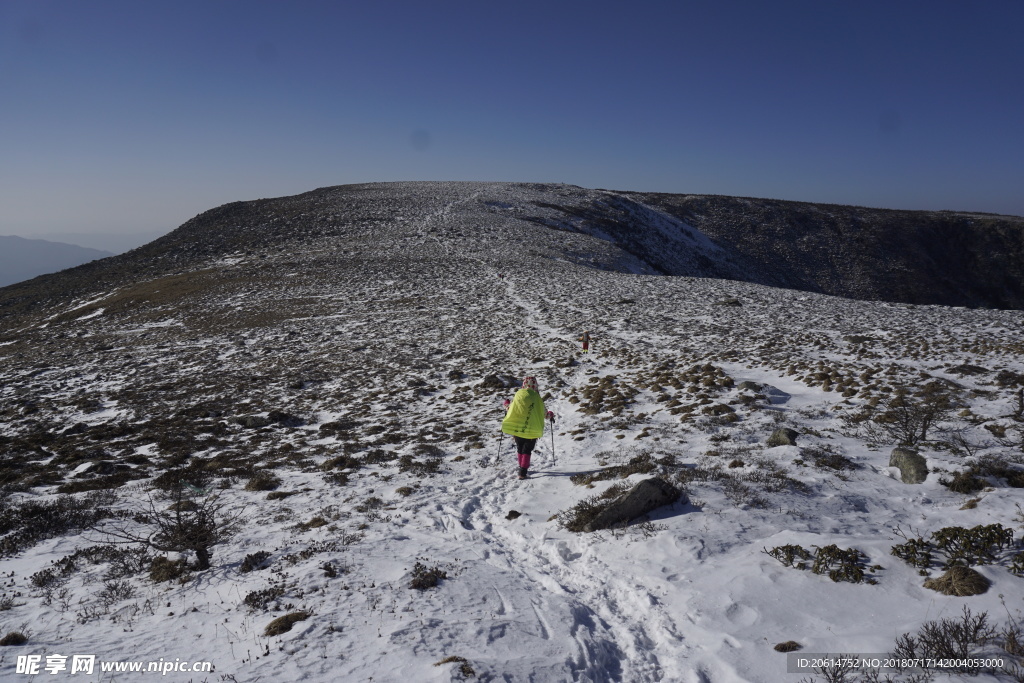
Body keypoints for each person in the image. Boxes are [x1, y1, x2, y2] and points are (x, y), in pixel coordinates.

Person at [501, 376, 554, 479]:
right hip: (531, 430)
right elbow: (545, 414)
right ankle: (523, 471)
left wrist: (506, 404)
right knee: (527, 449)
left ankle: (521, 467)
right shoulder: (537, 398)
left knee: (520, 448)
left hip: (518, 429)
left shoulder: (519, 395)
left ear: (524, 384)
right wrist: (550, 415)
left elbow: (510, 408)